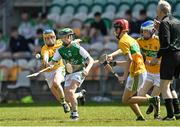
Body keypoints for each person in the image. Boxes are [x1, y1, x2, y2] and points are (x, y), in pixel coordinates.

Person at [107, 19, 160, 121]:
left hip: (137, 73)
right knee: (128, 98)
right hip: (138, 71)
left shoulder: (123, 41)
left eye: (117, 28)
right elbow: (128, 55)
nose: (115, 31)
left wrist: (124, 76)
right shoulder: (130, 39)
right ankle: (139, 117)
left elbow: (130, 60)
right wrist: (113, 57)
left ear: (122, 29)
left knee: (126, 99)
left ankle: (153, 100)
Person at [50, 28, 94, 120]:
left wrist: (87, 70)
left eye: (65, 37)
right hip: (69, 73)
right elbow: (53, 62)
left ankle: (75, 114)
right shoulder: (60, 50)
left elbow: (91, 60)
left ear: (70, 37)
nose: (63, 39)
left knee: (70, 92)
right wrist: (49, 65)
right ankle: (80, 94)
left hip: (79, 72)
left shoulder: (77, 48)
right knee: (67, 98)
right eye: (62, 37)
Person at [151, 0, 180, 120]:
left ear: (160, 10)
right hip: (178, 55)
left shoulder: (164, 22)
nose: (156, 10)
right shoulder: (177, 21)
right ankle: (177, 112)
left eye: (157, 8)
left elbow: (165, 44)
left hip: (169, 57)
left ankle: (170, 115)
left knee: (164, 86)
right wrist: (160, 30)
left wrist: (156, 57)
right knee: (170, 85)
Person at [41, 29, 70, 113]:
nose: (49, 40)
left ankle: (65, 104)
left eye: (51, 37)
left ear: (54, 37)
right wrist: (46, 62)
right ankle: (69, 103)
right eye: (47, 38)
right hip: (48, 72)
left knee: (56, 83)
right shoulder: (44, 48)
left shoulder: (60, 42)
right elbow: (46, 56)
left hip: (59, 68)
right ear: (44, 39)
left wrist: (75, 42)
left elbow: (69, 43)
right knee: (58, 97)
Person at [136, 20, 161, 119]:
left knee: (155, 96)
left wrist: (156, 62)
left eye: (146, 31)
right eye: (143, 31)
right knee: (140, 95)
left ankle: (157, 115)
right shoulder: (139, 41)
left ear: (152, 31)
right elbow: (129, 47)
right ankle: (152, 104)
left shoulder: (159, 41)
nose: (143, 33)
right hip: (148, 73)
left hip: (160, 73)